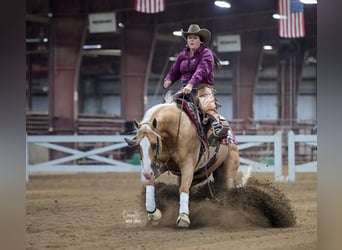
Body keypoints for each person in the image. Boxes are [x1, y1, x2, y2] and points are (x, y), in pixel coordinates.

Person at [125, 24, 231, 146]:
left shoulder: (206, 54)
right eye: (190, 37)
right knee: (166, 106)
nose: (192, 40)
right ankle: (143, 133)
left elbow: (201, 71)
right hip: (185, 89)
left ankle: (216, 131)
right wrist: (168, 79)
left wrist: (191, 84)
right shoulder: (183, 55)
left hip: (203, 88)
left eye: (195, 38)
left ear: (200, 40)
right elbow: (174, 70)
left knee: (207, 107)